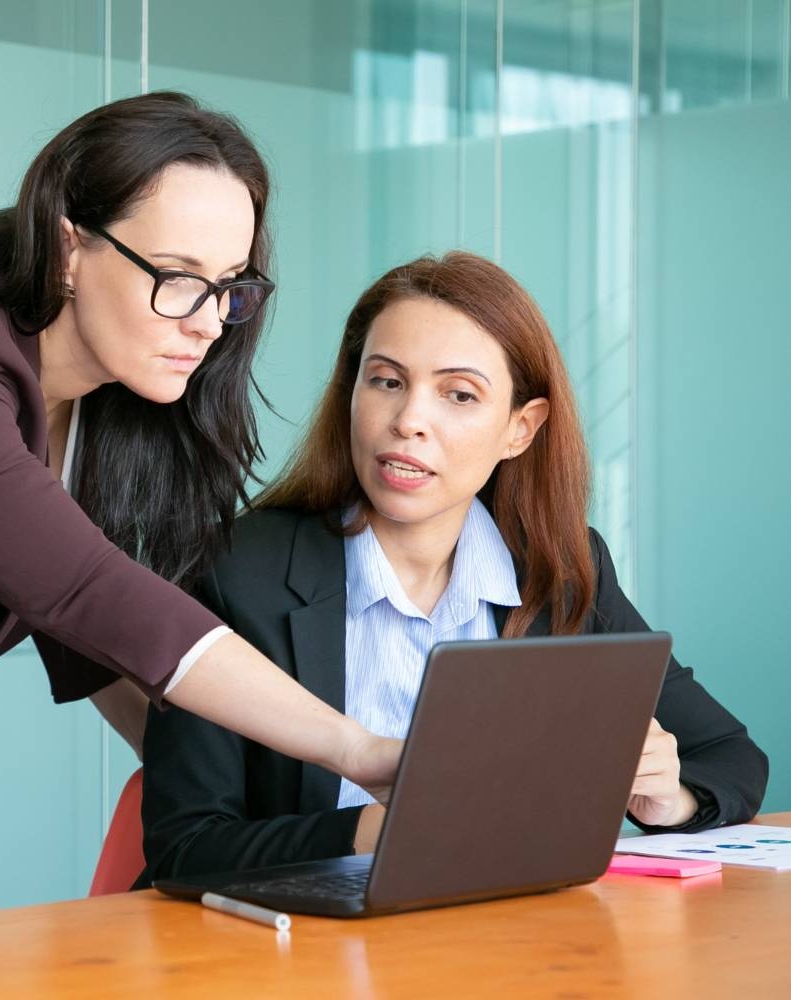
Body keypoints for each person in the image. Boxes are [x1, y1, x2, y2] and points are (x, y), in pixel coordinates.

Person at [0, 92, 399, 799]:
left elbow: (92, 644)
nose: (210, 325)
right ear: (68, 249)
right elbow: (85, 591)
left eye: (229, 286)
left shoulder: (102, 403)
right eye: (178, 278)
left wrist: (225, 812)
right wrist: (356, 751)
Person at [141, 251, 769, 882]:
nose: (409, 421)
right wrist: (377, 831)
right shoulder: (233, 569)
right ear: (351, 391)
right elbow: (186, 848)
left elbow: (731, 756)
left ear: (520, 429)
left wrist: (671, 800)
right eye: (385, 380)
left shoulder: (563, 569)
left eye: (459, 394)